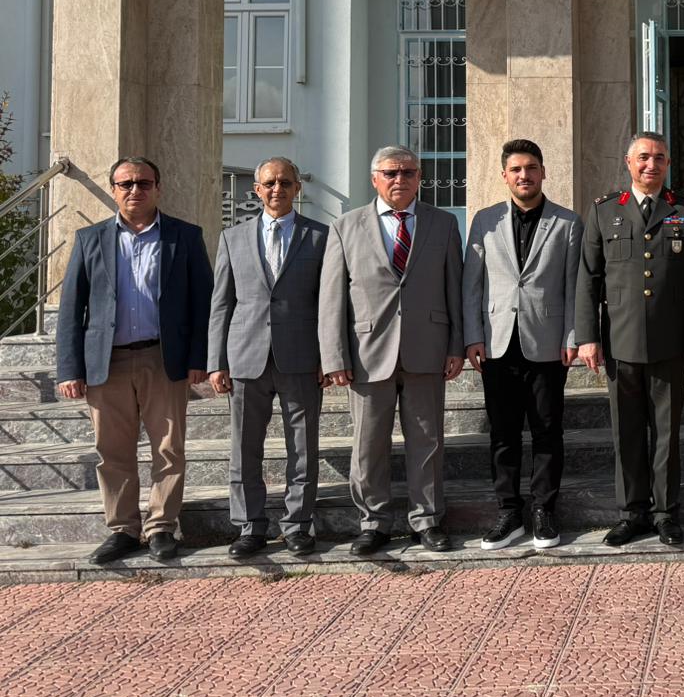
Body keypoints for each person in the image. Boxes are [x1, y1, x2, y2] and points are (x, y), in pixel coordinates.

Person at [55, 157, 212, 564]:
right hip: (106, 363)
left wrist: (200, 358)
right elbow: (72, 309)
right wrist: (70, 368)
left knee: (169, 448)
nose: (134, 190)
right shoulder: (90, 239)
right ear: (113, 190)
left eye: (143, 183)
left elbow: (203, 304)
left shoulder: (184, 236)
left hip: (164, 358)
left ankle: (161, 527)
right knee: (112, 451)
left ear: (158, 187)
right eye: (125, 184)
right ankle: (123, 529)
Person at [318, 145, 464, 556]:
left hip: (427, 349)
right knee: (368, 445)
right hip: (366, 353)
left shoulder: (443, 223)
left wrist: (455, 345)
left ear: (420, 178)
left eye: (408, 172)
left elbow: (454, 287)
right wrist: (334, 357)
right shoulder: (345, 227)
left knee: (427, 441)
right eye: (390, 173)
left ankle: (427, 520)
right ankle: (373, 523)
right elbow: (331, 298)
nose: (399, 179)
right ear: (374, 179)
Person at [575, 131, 684, 547]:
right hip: (620, 341)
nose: (650, 164)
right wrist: (587, 336)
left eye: (658, 158)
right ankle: (632, 513)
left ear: (668, 164)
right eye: (643, 157)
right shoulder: (605, 210)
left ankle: (666, 513)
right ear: (628, 162)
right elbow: (588, 278)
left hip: (671, 339)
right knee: (627, 432)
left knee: (667, 434)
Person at [463, 139, 584, 550]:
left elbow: (574, 287)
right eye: (516, 169)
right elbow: (471, 284)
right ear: (504, 176)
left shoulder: (567, 223)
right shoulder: (485, 221)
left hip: (548, 344)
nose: (524, 175)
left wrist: (572, 336)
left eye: (531, 168)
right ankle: (509, 511)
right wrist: (473, 336)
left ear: (543, 172)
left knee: (548, 431)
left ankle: (544, 510)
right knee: (503, 433)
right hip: (497, 344)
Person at [206, 157, 328, 558]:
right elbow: (221, 304)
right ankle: (250, 526)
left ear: (298, 188)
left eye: (285, 182)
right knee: (244, 448)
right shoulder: (232, 238)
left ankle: (297, 525)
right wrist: (216, 361)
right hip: (245, 357)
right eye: (270, 183)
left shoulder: (321, 236)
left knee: (303, 448)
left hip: (302, 357)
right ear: (256, 190)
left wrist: (329, 356)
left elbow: (329, 303)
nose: (278, 189)